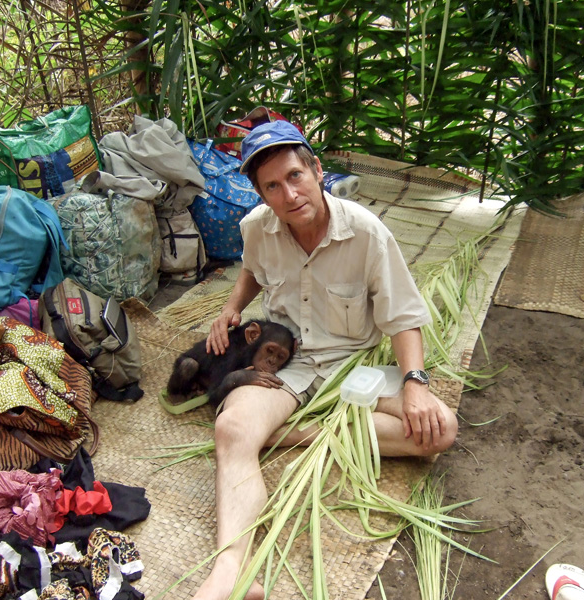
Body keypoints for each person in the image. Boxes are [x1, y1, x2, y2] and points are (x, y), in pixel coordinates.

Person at [193, 120, 458, 600]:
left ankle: (297, 434)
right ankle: (232, 569)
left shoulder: (366, 233)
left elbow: (402, 317)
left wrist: (415, 383)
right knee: (232, 429)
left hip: (352, 366)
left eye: (295, 175)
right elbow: (253, 269)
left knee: (439, 429)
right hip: (284, 359)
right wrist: (232, 306)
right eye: (272, 186)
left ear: (316, 170)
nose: (289, 194)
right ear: (261, 194)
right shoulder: (256, 227)